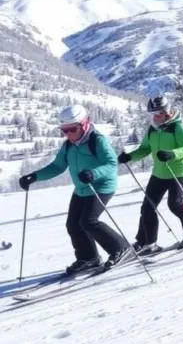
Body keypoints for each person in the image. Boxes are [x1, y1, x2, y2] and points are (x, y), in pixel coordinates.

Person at [19, 105, 132, 275]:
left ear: (84, 124)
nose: (68, 134)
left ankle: (122, 249)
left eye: (72, 129)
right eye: (64, 130)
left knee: (89, 221)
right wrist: (35, 176)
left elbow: (111, 164)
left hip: (101, 186)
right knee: (73, 225)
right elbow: (58, 166)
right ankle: (89, 258)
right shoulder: (68, 145)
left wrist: (94, 173)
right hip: (81, 188)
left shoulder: (98, 140)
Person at [119, 95, 183, 252]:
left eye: (159, 113)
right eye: (153, 113)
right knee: (147, 208)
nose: (156, 116)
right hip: (159, 172)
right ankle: (147, 242)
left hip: (179, 171)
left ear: (167, 111)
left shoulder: (178, 126)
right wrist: (130, 156)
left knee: (175, 204)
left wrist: (171, 154)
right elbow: (145, 148)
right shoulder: (153, 128)